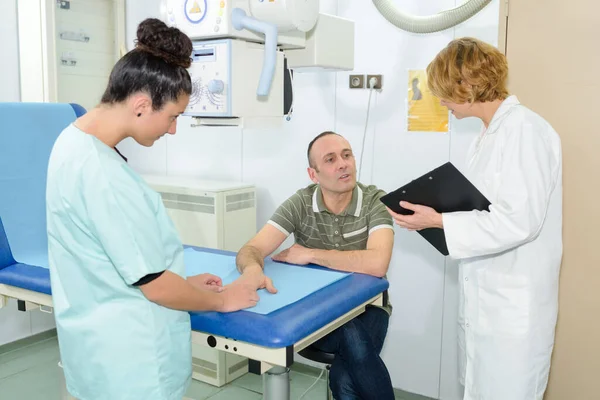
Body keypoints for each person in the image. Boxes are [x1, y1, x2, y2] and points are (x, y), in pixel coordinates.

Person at [46, 18, 258, 400]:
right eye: (173, 116)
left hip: (96, 348)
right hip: (134, 364)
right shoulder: (103, 175)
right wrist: (222, 299)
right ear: (142, 105)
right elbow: (157, 288)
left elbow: (107, 259)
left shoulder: (70, 140)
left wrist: (184, 284)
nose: (173, 130)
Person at [387, 37, 562, 400]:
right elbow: (483, 209)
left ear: (466, 84)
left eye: (444, 92)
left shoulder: (525, 131)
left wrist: (439, 222)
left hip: (513, 307)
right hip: (485, 298)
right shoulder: (484, 138)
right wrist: (435, 213)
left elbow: (520, 221)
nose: (440, 101)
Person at [235, 131, 396, 400]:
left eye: (347, 155)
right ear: (314, 175)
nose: (343, 164)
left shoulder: (374, 201)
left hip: (370, 310)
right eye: (331, 159)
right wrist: (253, 270)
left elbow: (377, 264)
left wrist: (310, 253)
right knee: (351, 343)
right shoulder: (300, 203)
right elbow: (250, 249)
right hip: (317, 313)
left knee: (346, 373)